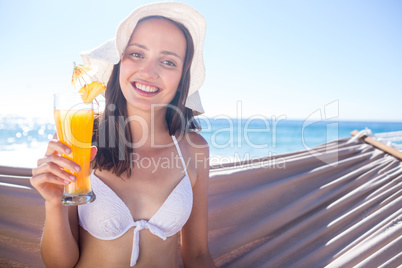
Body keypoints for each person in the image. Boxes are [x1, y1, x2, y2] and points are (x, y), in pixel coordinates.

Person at [30, 2, 216, 267]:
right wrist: (53, 204)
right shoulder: (82, 138)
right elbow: (59, 264)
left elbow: (197, 255)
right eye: (137, 54)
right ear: (118, 62)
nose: (149, 72)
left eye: (168, 61)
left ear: (182, 77)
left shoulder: (194, 149)